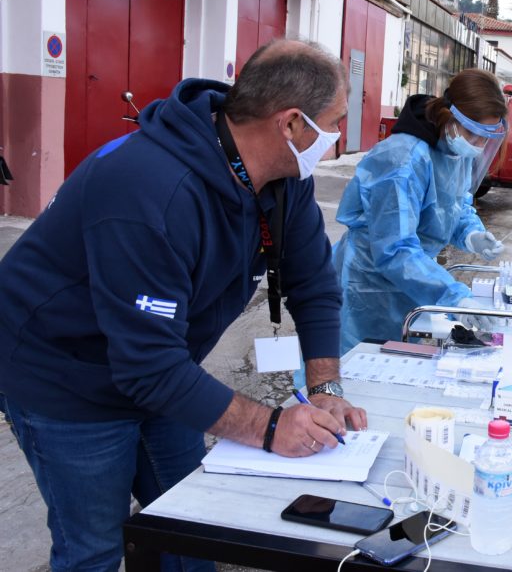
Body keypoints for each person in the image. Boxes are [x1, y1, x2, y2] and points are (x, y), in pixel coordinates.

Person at [0, 39, 368, 572]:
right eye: (332, 123)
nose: (335, 140)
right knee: (94, 548)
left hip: (159, 366)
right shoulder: (149, 190)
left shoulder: (286, 178)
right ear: (290, 124)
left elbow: (313, 284)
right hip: (64, 375)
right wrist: (270, 427)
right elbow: (146, 366)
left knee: (191, 524)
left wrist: (326, 388)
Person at [333, 68, 508, 354]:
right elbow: (395, 247)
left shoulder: (454, 151)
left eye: (485, 138)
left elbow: (453, 204)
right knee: (351, 367)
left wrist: (472, 233)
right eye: (473, 134)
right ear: (450, 117)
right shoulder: (402, 159)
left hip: (412, 281)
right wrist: (453, 295)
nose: (477, 145)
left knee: (397, 363)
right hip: (367, 284)